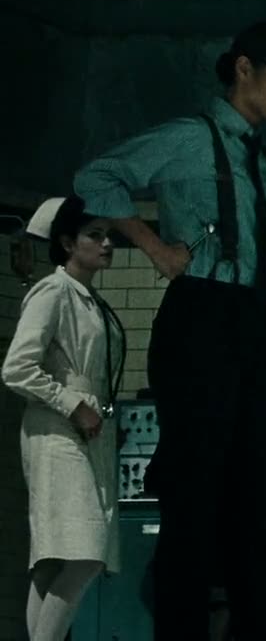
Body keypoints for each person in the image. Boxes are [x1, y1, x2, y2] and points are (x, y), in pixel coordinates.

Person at [72, 20, 266, 640]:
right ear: (244, 68)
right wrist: (152, 244)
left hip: (254, 326)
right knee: (194, 502)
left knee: (264, 504)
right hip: (199, 319)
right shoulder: (190, 137)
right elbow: (97, 177)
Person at [3, 197, 124, 641]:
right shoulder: (53, 291)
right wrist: (73, 404)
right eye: (95, 235)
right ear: (69, 243)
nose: (107, 244)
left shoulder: (91, 300)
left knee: (54, 560)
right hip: (57, 431)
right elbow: (17, 367)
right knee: (85, 553)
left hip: (87, 432)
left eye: (108, 235)